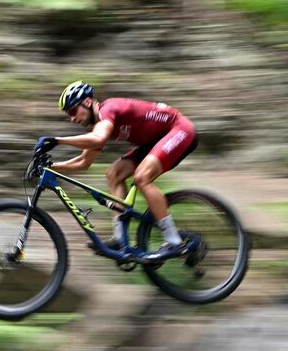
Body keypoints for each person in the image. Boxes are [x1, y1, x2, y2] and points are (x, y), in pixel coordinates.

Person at [34, 80, 201, 263]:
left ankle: (174, 240)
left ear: (88, 102)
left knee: (142, 177)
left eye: (73, 111)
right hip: (155, 141)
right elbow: (83, 162)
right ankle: (121, 239)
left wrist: (57, 141)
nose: (73, 118)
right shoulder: (100, 125)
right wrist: (51, 167)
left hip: (179, 129)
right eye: (69, 115)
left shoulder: (108, 109)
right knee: (114, 174)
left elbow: (98, 139)